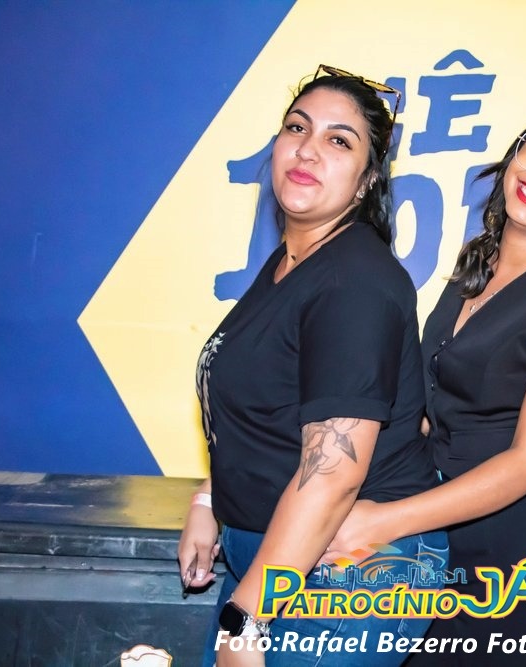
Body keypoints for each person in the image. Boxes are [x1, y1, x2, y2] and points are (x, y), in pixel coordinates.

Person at [326, 104, 526, 666]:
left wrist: (381, 521)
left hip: (522, 552)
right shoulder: (478, 264)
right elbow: (426, 412)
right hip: (438, 532)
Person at [178, 65, 448, 667]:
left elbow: (333, 474)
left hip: (347, 570)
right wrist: (209, 502)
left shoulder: (353, 280)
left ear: (366, 181)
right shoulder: (292, 261)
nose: (308, 149)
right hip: (282, 556)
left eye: (339, 140)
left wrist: (246, 619)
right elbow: (270, 410)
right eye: (297, 127)